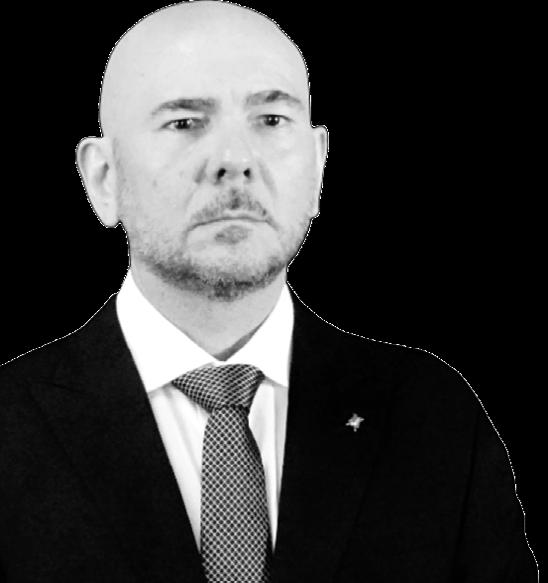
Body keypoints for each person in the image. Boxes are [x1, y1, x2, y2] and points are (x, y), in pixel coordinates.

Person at [0, 2, 537, 582]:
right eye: (185, 123)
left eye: (272, 120)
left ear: (318, 165)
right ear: (104, 178)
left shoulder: (433, 417)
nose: (235, 160)